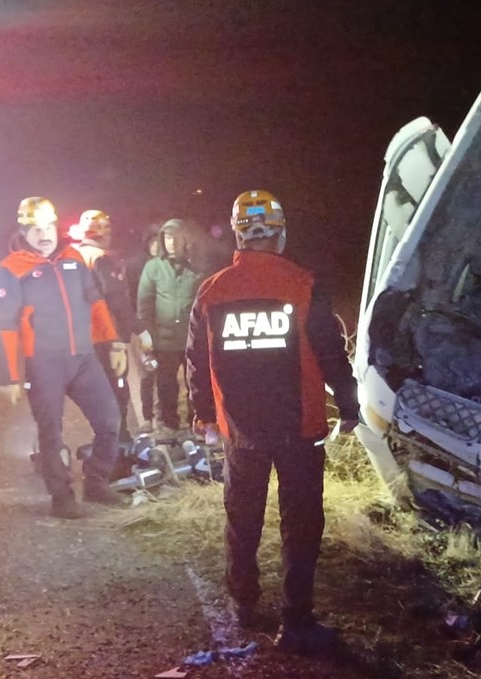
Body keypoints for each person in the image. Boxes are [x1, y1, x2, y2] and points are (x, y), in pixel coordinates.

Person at [185, 189, 360, 654]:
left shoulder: (211, 291)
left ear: (239, 235)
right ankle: (296, 620)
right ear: (280, 234)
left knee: (242, 519)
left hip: (240, 432)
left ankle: (244, 605)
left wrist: (202, 414)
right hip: (299, 428)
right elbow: (331, 354)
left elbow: (197, 363)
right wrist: (350, 406)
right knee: (301, 525)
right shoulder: (304, 285)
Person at [0, 197, 128, 518]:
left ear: (57, 227)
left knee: (110, 421)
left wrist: (115, 343)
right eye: (35, 228)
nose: (43, 235)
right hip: (43, 365)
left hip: (83, 359)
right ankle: (62, 497)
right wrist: (9, 376)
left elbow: (96, 303)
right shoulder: (11, 269)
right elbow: (5, 325)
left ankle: (96, 482)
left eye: (48, 227)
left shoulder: (74, 259)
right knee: (51, 432)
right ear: (23, 231)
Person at [68, 209, 152, 441]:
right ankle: (118, 444)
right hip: (106, 338)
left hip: (79, 338)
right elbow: (116, 300)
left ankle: (105, 439)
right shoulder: (100, 258)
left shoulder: (71, 255)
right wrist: (139, 328)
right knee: (116, 390)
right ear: (103, 232)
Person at [137, 218, 202, 434]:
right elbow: (144, 305)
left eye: (175, 237)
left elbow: (206, 303)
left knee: (196, 384)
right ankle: (169, 425)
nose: (171, 241)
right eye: (167, 237)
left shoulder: (198, 267)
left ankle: (198, 423)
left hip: (192, 339)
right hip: (163, 341)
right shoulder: (153, 267)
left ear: (186, 239)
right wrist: (148, 335)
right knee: (165, 386)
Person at [125, 227, 161, 432]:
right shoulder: (136, 266)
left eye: (159, 241)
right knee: (148, 370)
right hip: (144, 327)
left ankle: (164, 415)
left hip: (165, 326)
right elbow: (130, 296)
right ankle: (147, 417)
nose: (156, 245)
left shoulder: (169, 265)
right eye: (152, 241)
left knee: (167, 373)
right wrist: (137, 325)